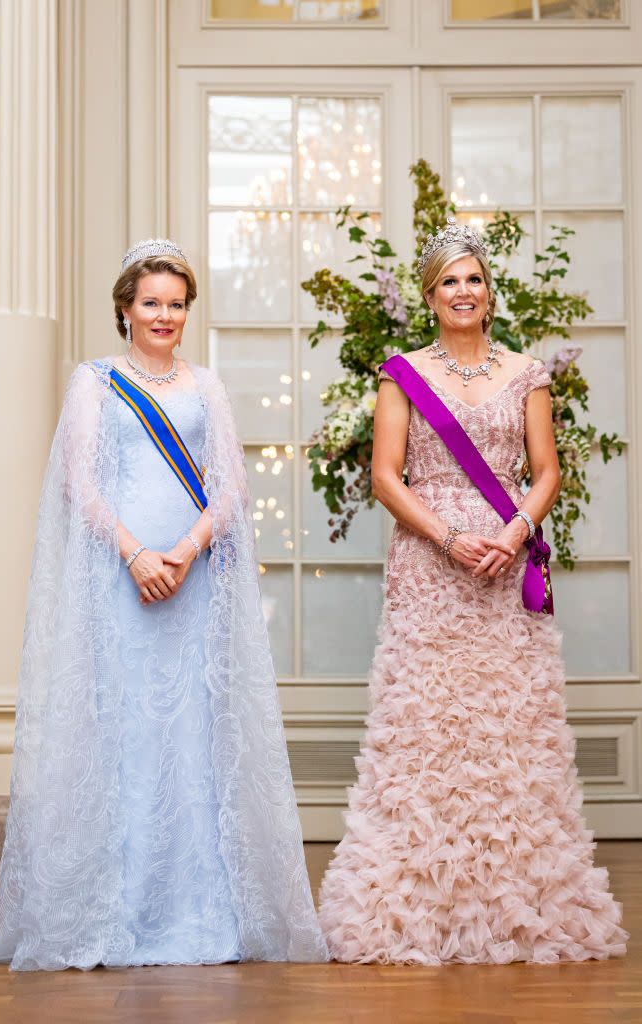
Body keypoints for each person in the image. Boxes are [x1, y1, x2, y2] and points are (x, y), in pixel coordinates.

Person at [0, 239, 328, 971]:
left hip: (190, 580)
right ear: (125, 310)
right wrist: (136, 552)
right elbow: (79, 482)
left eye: (176, 303)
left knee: (192, 735)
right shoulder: (95, 383)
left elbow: (229, 486)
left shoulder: (207, 387)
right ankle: (115, 911)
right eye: (151, 303)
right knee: (125, 730)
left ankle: (197, 912)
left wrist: (186, 550)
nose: (164, 315)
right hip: (119, 581)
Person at [318, 219, 628, 965]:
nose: (464, 291)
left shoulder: (526, 373)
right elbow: (386, 478)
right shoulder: (401, 374)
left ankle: (518, 902)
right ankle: (412, 904)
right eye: (449, 280)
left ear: (490, 294)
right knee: (428, 723)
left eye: (474, 279)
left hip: (503, 556)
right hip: (431, 565)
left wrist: (515, 532)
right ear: (429, 297)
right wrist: (450, 539)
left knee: (505, 727)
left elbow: (546, 470)